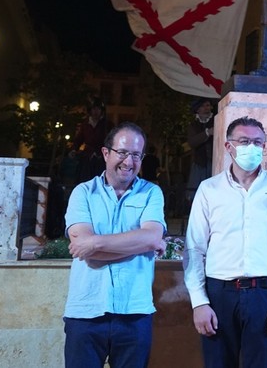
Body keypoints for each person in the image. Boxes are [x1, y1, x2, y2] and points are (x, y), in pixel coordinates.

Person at [184, 116, 267, 368]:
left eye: (258, 142)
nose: (252, 147)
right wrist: (199, 302)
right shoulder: (209, 189)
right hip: (219, 292)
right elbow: (194, 248)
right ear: (229, 146)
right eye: (244, 141)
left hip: (264, 292)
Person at [63, 122, 167, 368]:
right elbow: (88, 253)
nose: (129, 162)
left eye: (136, 155)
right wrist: (140, 242)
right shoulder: (83, 193)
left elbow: (152, 237)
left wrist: (95, 242)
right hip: (86, 310)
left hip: (135, 311)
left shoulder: (152, 193)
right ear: (105, 153)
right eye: (122, 152)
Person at [71, 97, 113, 184]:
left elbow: (112, 139)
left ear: (101, 111)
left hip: (102, 156)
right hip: (88, 155)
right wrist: (74, 149)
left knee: (102, 179)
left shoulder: (107, 124)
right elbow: (79, 139)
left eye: (98, 109)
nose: (96, 111)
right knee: (85, 178)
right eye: (94, 109)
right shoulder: (85, 124)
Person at [186, 98, 216, 202]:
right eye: (203, 106)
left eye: (208, 105)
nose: (207, 108)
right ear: (198, 109)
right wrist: (207, 133)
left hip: (214, 163)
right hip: (199, 164)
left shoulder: (216, 120)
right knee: (196, 194)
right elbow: (192, 142)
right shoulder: (193, 125)